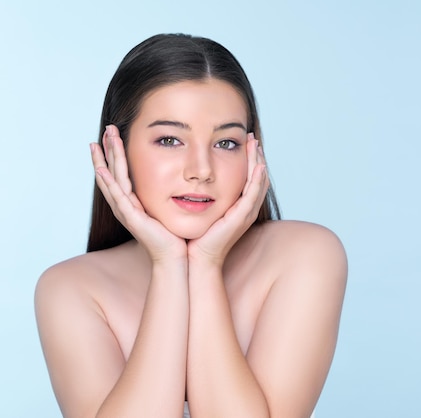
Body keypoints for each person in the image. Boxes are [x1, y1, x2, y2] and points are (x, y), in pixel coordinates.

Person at [35, 33, 347, 418]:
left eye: (226, 143)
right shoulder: (71, 289)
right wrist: (168, 264)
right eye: (169, 139)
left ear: (254, 152)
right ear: (118, 151)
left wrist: (206, 263)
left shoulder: (305, 255)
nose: (200, 170)